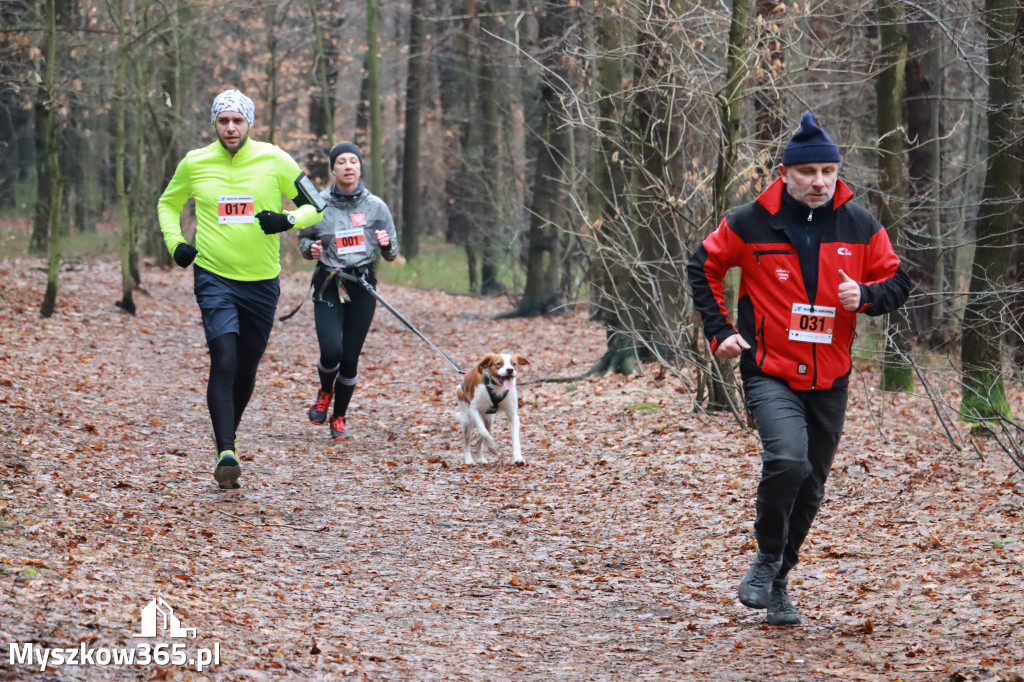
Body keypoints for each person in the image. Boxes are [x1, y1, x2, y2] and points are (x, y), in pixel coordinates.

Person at [687, 112, 910, 626]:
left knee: (811, 486)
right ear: (784, 172)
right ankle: (766, 558)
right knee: (788, 461)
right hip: (769, 367)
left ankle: (779, 579)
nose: (819, 182)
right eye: (808, 171)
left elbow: (898, 282)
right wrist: (720, 331)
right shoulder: (750, 221)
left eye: (827, 172)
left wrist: (868, 297)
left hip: (831, 373)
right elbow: (704, 265)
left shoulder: (859, 223)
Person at [157, 89, 324, 489]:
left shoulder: (275, 159)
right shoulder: (195, 162)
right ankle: (225, 451)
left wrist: (287, 219)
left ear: (249, 123)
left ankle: (228, 430)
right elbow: (167, 204)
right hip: (214, 276)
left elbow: (317, 204)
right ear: (214, 124)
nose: (230, 128)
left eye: (237, 121)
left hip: (262, 282)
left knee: (247, 367)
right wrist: (176, 243)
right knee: (225, 358)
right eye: (223, 121)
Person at [297, 142, 398, 440]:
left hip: (363, 286)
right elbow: (304, 238)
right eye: (341, 162)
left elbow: (392, 252)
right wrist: (310, 248)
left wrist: (385, 244)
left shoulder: (376, 207)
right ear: (333, 169)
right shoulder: (318, 204)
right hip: (329, 283)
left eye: (353, 161)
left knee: (350, 357)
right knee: (332, 350)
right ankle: (325, 391)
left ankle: (339, 417)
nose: (348, 166)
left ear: (360, 167)